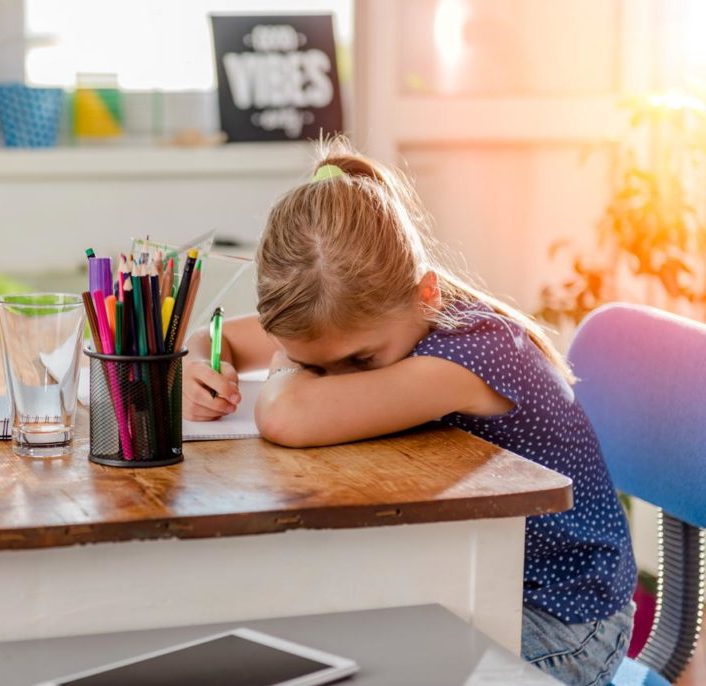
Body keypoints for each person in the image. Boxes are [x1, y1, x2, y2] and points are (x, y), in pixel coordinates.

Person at [182, 139, 637, 686]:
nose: (342, 377)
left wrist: (287, 361)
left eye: (361, 360)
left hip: (564, 625)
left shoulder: (469, 357)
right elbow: (217, 340)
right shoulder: (360, 316)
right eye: (315, 363)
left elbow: (287, 416)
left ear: (426, 293)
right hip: (463, 580)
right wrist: (198, 366)